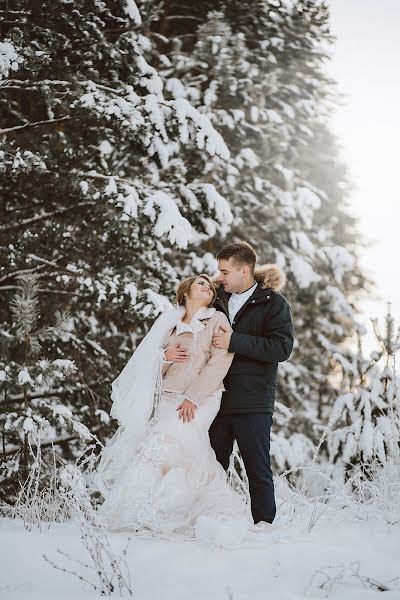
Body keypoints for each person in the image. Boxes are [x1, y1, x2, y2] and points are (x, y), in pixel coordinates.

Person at [94, 274, 251, 546]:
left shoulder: (217, 320)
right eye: (201, 283)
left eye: (210, 286)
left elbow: (220, 362)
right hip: (168, 397)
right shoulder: (170, 324)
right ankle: (139, 513)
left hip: (202, 399)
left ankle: (177, 513)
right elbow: (150, 367)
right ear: (186, 292)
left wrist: (193, 397)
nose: (208, 287)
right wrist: (164, 358)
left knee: (176, 445)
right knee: (162, 451)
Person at [209, 241, 294, 525]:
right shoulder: (214, 299)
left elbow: (281, 348)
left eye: (224, 271)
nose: (219, 277)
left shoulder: (274, 304)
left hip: (252, 401)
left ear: (244, 270)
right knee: (211, 468)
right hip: (213, 399)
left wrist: (235, 341)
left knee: (257, 470)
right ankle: (212, 525)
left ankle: (264, 530)